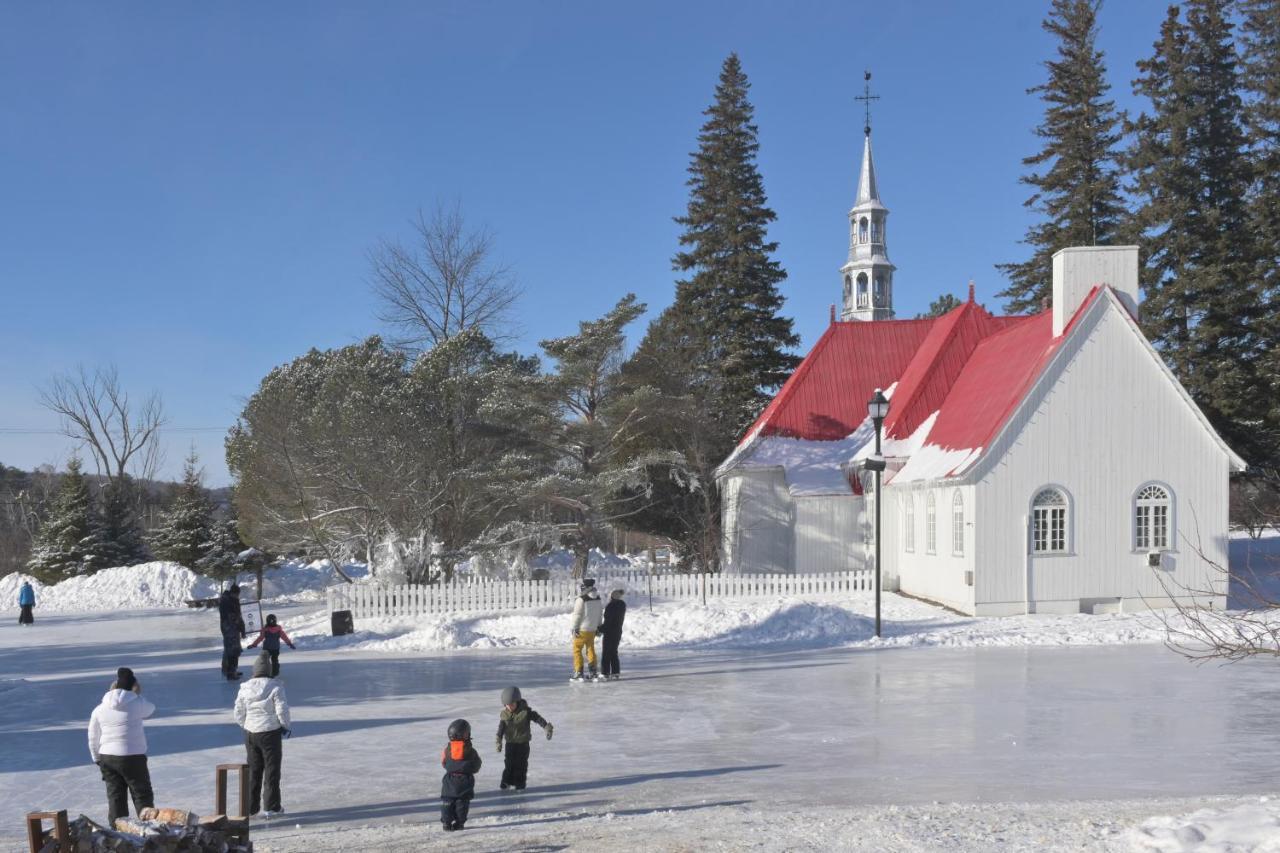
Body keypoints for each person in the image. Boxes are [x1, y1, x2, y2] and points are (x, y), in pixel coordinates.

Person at [87, 667, 156, 829]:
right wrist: (137, 694)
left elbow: (92, 736)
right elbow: (151, 709)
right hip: (133, 757)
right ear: (133, 686)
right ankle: (148, 831)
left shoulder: (99, 708)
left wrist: (96, 758)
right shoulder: (138, 703)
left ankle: (118, 834)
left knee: (115, 797)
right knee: (141, 795)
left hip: (107, 757)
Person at [233, 652, 291, 817]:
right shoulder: (275, 686)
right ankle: (272, 807)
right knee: (272, 770)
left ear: (254, 671)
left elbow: (238, 712)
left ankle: (250, 808)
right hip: (270, 734)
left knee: (254, 770)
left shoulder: (245, 688)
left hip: (251, 734)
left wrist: (247, 725)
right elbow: (282, 709)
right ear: (269, 670)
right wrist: (285, 726)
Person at [495, 686, 552, 791]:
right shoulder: (504, 715)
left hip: (523, 744)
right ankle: (506, 781)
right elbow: (500, 729)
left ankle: (519, 783)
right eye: (507, 705)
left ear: (517, 701)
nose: (510, 707)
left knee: (521, 764)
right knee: (509, 763)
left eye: (512, 704)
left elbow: (537, 718)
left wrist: (546, 727)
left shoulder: (526, 712)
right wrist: (498, 741)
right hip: (510, 744)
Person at [440, 718, 481, 832]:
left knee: (447, 802)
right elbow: (477, 765)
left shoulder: (447, 750)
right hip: (465, 781)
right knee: (462, 804)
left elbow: (444, 762)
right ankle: (459, 823)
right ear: (466, 734)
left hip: (450, 780)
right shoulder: (471, 751)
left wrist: (452, 768)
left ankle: (446, 823)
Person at [569, 578, 604, 681]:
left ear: (585, 588)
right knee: (590, 649)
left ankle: (578, 672)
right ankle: (593, 671)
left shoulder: (581, 599)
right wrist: (599, 626)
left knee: (577, 649)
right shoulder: (598, 598)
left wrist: (574, 627)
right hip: (592, 629)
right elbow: (599, 614)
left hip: (582, 629)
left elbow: (577, 615)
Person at [218, 584, 246, 680]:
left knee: (236, 650)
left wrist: (242, 629)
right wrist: (237, 622)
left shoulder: (234, 600)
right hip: (228, 629)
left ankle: (233, 670)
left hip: (235, 629)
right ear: (233, 593)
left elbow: (239, 615)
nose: (237, 596)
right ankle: (230, 672)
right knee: (231, 651)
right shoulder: (225, 601)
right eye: (237, 594)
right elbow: (229, 616)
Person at [600, 588, 627, 680]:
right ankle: (615, 672)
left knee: (606, 653)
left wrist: (600, 629)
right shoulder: (622, 605)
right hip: (618, 631)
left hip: (609, 632)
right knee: (614, 652)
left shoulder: (611, 606)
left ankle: (605, 672)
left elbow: (608, 622)